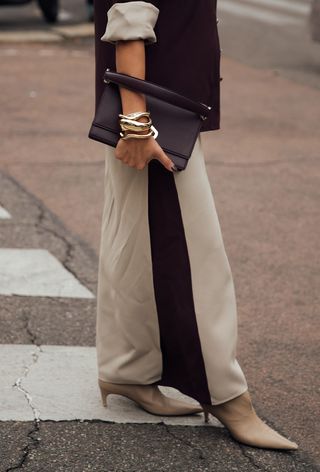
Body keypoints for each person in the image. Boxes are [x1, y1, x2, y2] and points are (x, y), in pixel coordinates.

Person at [93, 0, 298, 450]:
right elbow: (128, 18)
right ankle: (228, 397)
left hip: (159, 107)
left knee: (135, 240)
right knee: (193, 255)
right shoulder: (144, 121)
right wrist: (136, 126)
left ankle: (127, 368)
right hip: (155, 115)